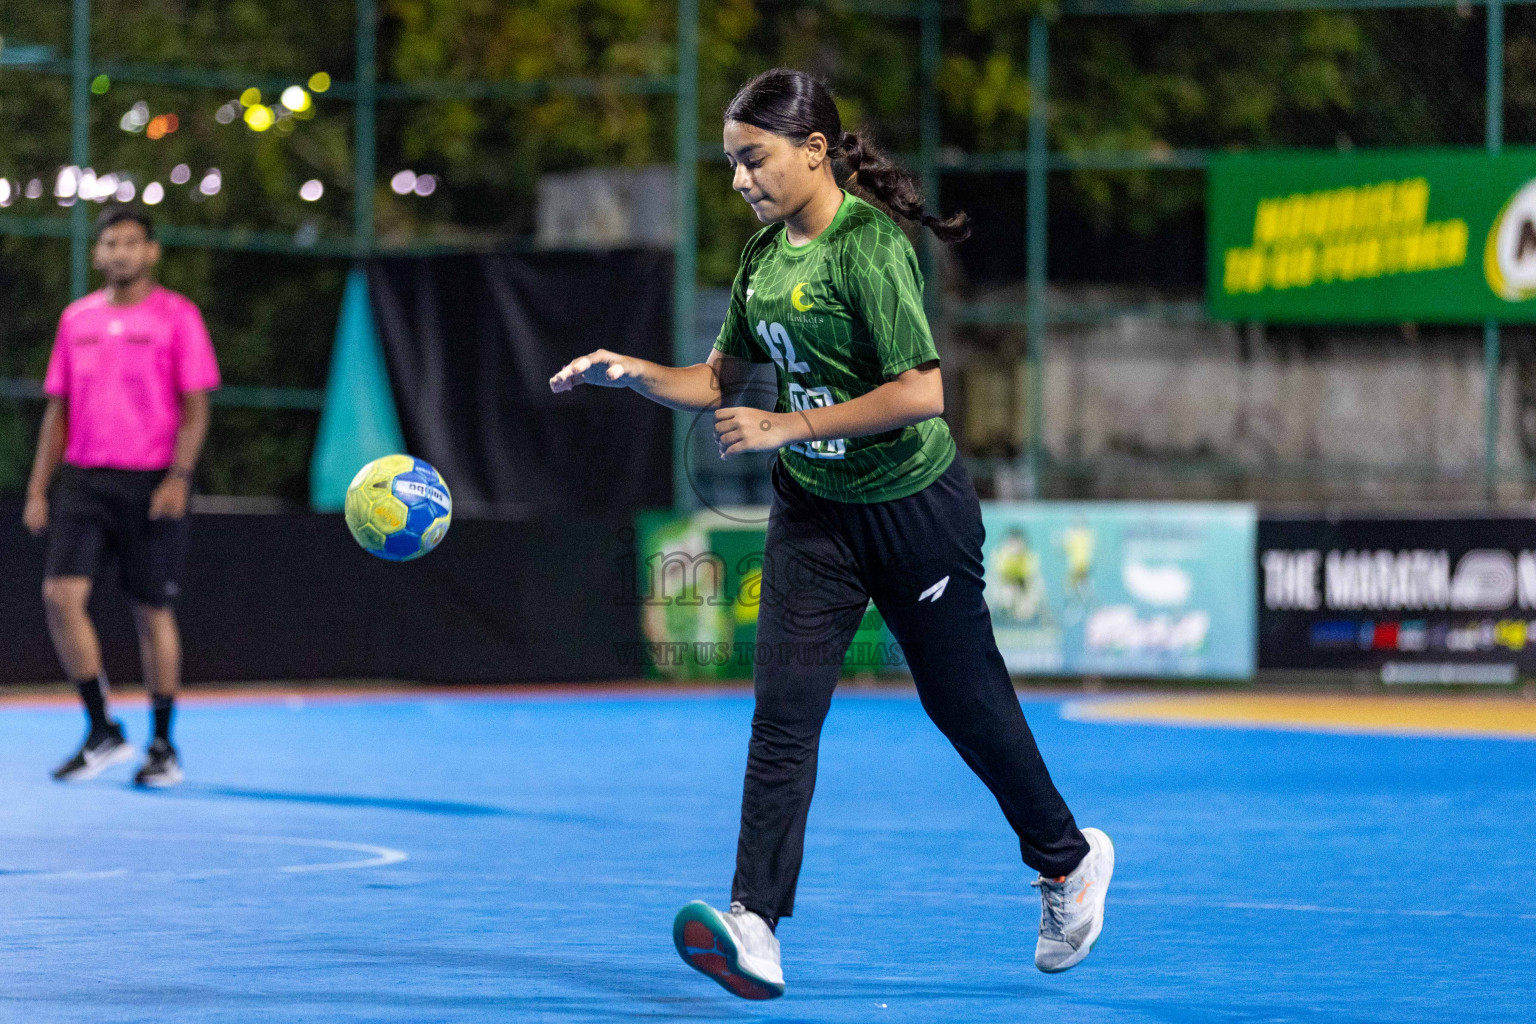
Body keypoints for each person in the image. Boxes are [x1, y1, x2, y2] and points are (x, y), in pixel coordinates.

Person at [550, 69, 1112, 998]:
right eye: (731, 163)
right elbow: (720, 377)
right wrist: (633, 372)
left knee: (962, 699)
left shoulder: (869, 247)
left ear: (813, 151)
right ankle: (755, 924)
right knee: (783, 714)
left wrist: (788, 426)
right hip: (813, 514)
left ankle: (1066, 861)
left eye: (752, 159)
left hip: (912, 507)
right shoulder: (762, 260)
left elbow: (921, 392)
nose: (739, 180)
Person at [23, 206, 220, 788]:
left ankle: (162, 743)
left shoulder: (178, 317)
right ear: (97, 253)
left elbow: (196, 407)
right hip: (85, 479)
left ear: (151, 252)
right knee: (60, 597)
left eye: (131, 243)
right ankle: (101, 729)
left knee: (151, 611)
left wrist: (179, 477)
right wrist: (39, 487)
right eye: (109, 243)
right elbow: (57, 409)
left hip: (152, 480)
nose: (119, 253)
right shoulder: (75, 318)